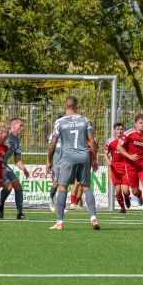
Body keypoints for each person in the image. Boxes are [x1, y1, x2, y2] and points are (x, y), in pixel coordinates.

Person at [46, 97, 99, 230]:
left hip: (68, 158)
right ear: (76, 107)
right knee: (86, 187)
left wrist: (48, 160)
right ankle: (93, 218)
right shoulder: (84, 120)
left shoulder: (60, 122)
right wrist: (93, 159)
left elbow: (53, 143)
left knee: (63, 188)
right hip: (83, 157)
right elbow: (92, 142)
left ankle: (60, 222)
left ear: (65, 106)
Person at [116, 114, 143, 218]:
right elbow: (119, 147)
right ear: (136, 124)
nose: (142, 125)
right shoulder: (129, 134)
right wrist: (129, 156)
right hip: (130, 166)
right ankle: (138, 196)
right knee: (134, 191)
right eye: (140, 123)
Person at [0, 118, 30, 220]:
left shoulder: (18, 140)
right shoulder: (6, 135)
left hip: (4, 164)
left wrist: (24, 169)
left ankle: (20, 213)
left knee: (18, 186)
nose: (22, 127)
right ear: (13, 126)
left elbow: (18, 160)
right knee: (8, 187)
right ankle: (1, 204)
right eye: (21, 125)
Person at [103, 123, 131, 214]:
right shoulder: (110, 141)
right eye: (117, 129)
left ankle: (127, 198)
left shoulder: (127, 140)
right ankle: (123, 209)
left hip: (126, 167)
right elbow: (106, 154)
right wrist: (108, 161)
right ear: (114, 130)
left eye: (121, 129)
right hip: (115, 168)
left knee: (125, 190)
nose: (119, 131)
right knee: (118, 190)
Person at [69, 136, 99, 210]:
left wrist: (95, 161)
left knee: (83, 185)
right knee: (77, 182)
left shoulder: (94, 139)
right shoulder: (79, 138)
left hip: (88, 164)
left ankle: (75, 204)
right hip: (78, 162)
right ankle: (72, 203)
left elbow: (97, 151)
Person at [48, 115, 64, 212]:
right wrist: (48, 161)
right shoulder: (52, 135)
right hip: (57, 161)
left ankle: (60, 205)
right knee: (55, 183)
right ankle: (50, 200)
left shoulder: (69, 134)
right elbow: (49, 149)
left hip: (66, 161)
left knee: (64, 184)